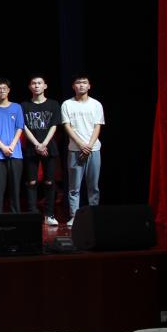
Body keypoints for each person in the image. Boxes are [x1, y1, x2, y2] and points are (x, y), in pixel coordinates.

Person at [61, 75, 105, 226]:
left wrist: (89, 145)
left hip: (94, 149)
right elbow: (67, 126)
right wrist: (81, 144)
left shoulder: (96, 104)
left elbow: (97, 126)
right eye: (78, 83)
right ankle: (75, 216)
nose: (81, 85)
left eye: (84, 83)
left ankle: (94, 215)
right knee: (74, 187)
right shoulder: (67, 104)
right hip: (75, 149)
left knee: (93, 186)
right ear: (73, 86)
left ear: (89, 86)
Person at [22, 75, 62, 224]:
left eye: (39, 83)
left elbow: (54, 125)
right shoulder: (24, 105)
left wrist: (44, 143)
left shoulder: (53, 104)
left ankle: (49, 214)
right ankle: (33, 213)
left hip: (49, 147)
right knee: (32, 182)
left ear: (45, 86)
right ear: (29, 87)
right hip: (31, 148)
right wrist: (36, 144)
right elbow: (24, 127)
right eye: (33, 83)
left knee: (49, 182)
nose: (37, 85)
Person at [0, 78, 25, 214]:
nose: (2, 91)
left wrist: (12, 146)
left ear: (9, 90)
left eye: (4, 88)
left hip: (15, 152)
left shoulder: (17, 107)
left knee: (15, 188)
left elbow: (20, 127)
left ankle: (16, 217)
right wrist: (3, 147)